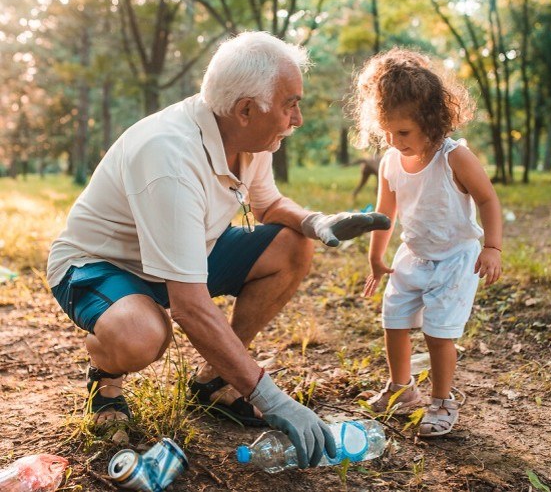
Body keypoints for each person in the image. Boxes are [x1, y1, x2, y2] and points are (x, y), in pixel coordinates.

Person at [47, 31, 390, 468]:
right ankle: (106, 376)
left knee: (293, 246)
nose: (297, 118)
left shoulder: (248, 136)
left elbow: (267, 204)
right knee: (143, 334)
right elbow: (189, 307)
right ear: (246, 109)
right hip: (99, 263)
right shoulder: (169, 156)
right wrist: (271, 396)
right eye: (290, 104)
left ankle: (213, 381)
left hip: (184, 251)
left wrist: (314, 222)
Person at [351, 48, 502, 437]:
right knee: (394, 321)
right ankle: (401, 390)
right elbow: (386, 214)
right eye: (387, 132)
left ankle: (441, 400)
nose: (393, 140)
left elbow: (488, 199)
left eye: (403, 132)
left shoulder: (455, 158)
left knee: (438, 332)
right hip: (413, 256)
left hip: (456, 258)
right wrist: (375, 255)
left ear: (433, 121)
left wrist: (493, 247)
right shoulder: (389, 162)